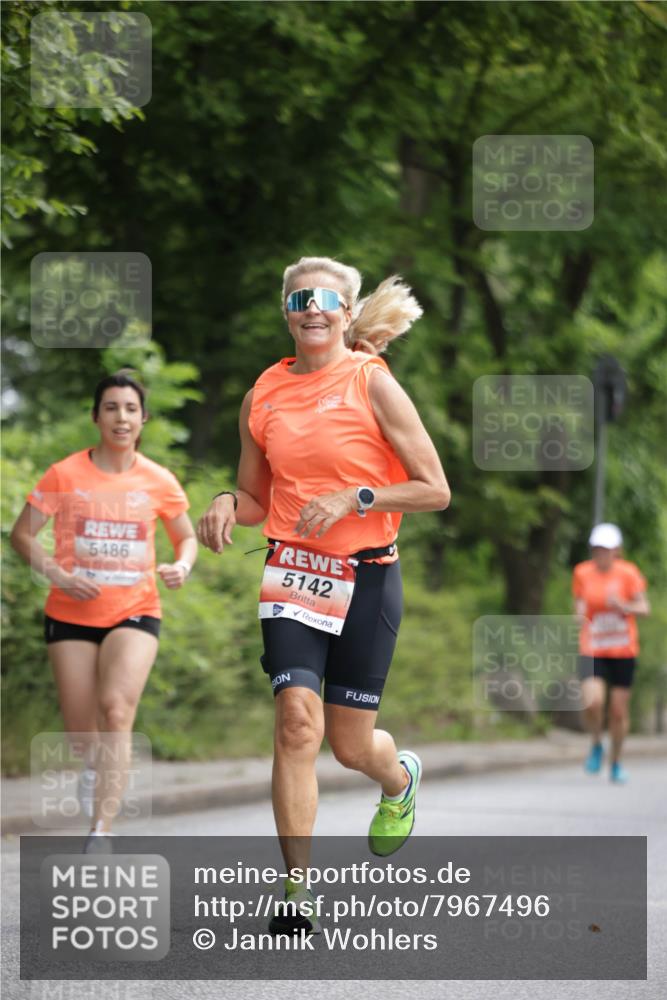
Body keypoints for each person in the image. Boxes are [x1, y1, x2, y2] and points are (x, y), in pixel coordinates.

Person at [197, 256, 450, 932]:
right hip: (293, 575)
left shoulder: (373, 384)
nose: (312, 308)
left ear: (344, 312)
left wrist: (358, 495)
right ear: (287, 310)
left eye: (326, 299)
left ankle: (396, 779)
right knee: (294, 723)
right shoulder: (264, 394)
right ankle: (295, 891)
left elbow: (435, 488)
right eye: (299, 298)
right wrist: (226, 500)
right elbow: (255, 497)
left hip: (367, 575)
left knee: (349, 746)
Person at [10, 371, 197, 850]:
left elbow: (186, 537)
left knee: (116, 710)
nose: (121, 417)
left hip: (135, 611)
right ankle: (93, 766)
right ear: (96, 417)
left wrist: (182, 565)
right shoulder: (65, 474)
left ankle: (101, 831)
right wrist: (58, 574)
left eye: (131, 408)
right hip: (69, 613)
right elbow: (22, 535)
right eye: (111, 407)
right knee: (81, 733)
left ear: (143, 418)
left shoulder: (158, 480)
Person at [573, 522, 650, 784]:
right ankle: (597, 743)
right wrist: (579, 615)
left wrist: (624, 605)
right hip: (592, 646)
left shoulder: (628, 573)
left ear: (617, 550)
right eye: (596, 548)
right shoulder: (582, 572)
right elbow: (580, 604)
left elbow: (644, 608)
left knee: (618, 711)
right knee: (592, 702)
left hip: (622, 649)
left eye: (606, 549)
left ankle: (616, 762)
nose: (600, 553)